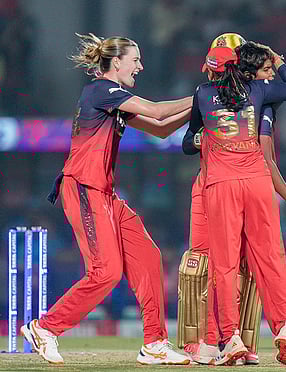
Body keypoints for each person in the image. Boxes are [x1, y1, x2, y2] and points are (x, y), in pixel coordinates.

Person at [20, 32, 192, 365]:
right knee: (106, 272)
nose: (140, 66)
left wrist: (204, 104)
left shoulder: (113, 98)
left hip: (105, 192)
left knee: (148, 257)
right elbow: (157, 112)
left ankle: (155, 343)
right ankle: (45, 328)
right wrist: (202, 95)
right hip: (84, 187)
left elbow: (160, 129)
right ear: (116, 62)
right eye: (135, 60)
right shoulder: (102, 91)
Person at [182, 42, 286, 366]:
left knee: (225, 265)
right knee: (272, 260)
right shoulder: (259, 89)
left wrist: (206, 137)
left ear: (211, 69)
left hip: (222, 184)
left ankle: (231, 338)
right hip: (259, 183)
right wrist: (277, 61)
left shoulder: (203, 93)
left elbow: (187, 142)